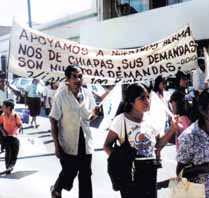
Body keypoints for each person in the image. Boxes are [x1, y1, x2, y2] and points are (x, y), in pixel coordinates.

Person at [103, 83, 178, 198]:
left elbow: (158, 145)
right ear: (132, 102)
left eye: (147, 97)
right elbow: (107, 146)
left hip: (150, 170)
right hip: (131, 173)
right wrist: (120, 162)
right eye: (142, 98)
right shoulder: (121, 120)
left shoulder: (151, 120)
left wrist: (172, 129)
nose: (147, 101)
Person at [49, 65, 100, 198]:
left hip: (85, 140)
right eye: (74, 77)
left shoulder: (87, 94)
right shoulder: (61, 95)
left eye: (80, 76)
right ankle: (56, 188)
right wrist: (56, 146)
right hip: (68, 142)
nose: (78, 79)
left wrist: (97, 113)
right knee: (69, 173)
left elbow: (90, 117)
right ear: (67, 79)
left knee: (86, 174)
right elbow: (53, 120)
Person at [0, 99, 22, 174]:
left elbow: (19, 125)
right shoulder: (2, 115)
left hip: (14, 137)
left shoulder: (15, 115)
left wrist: (17, 131)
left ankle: (11, 166)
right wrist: (3, 132)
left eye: (3, 106)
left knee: (14, 153)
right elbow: (0, 124)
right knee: (8, 152)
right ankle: (8, 167)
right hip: (6, 137)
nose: (2, 107)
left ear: (9, 108)